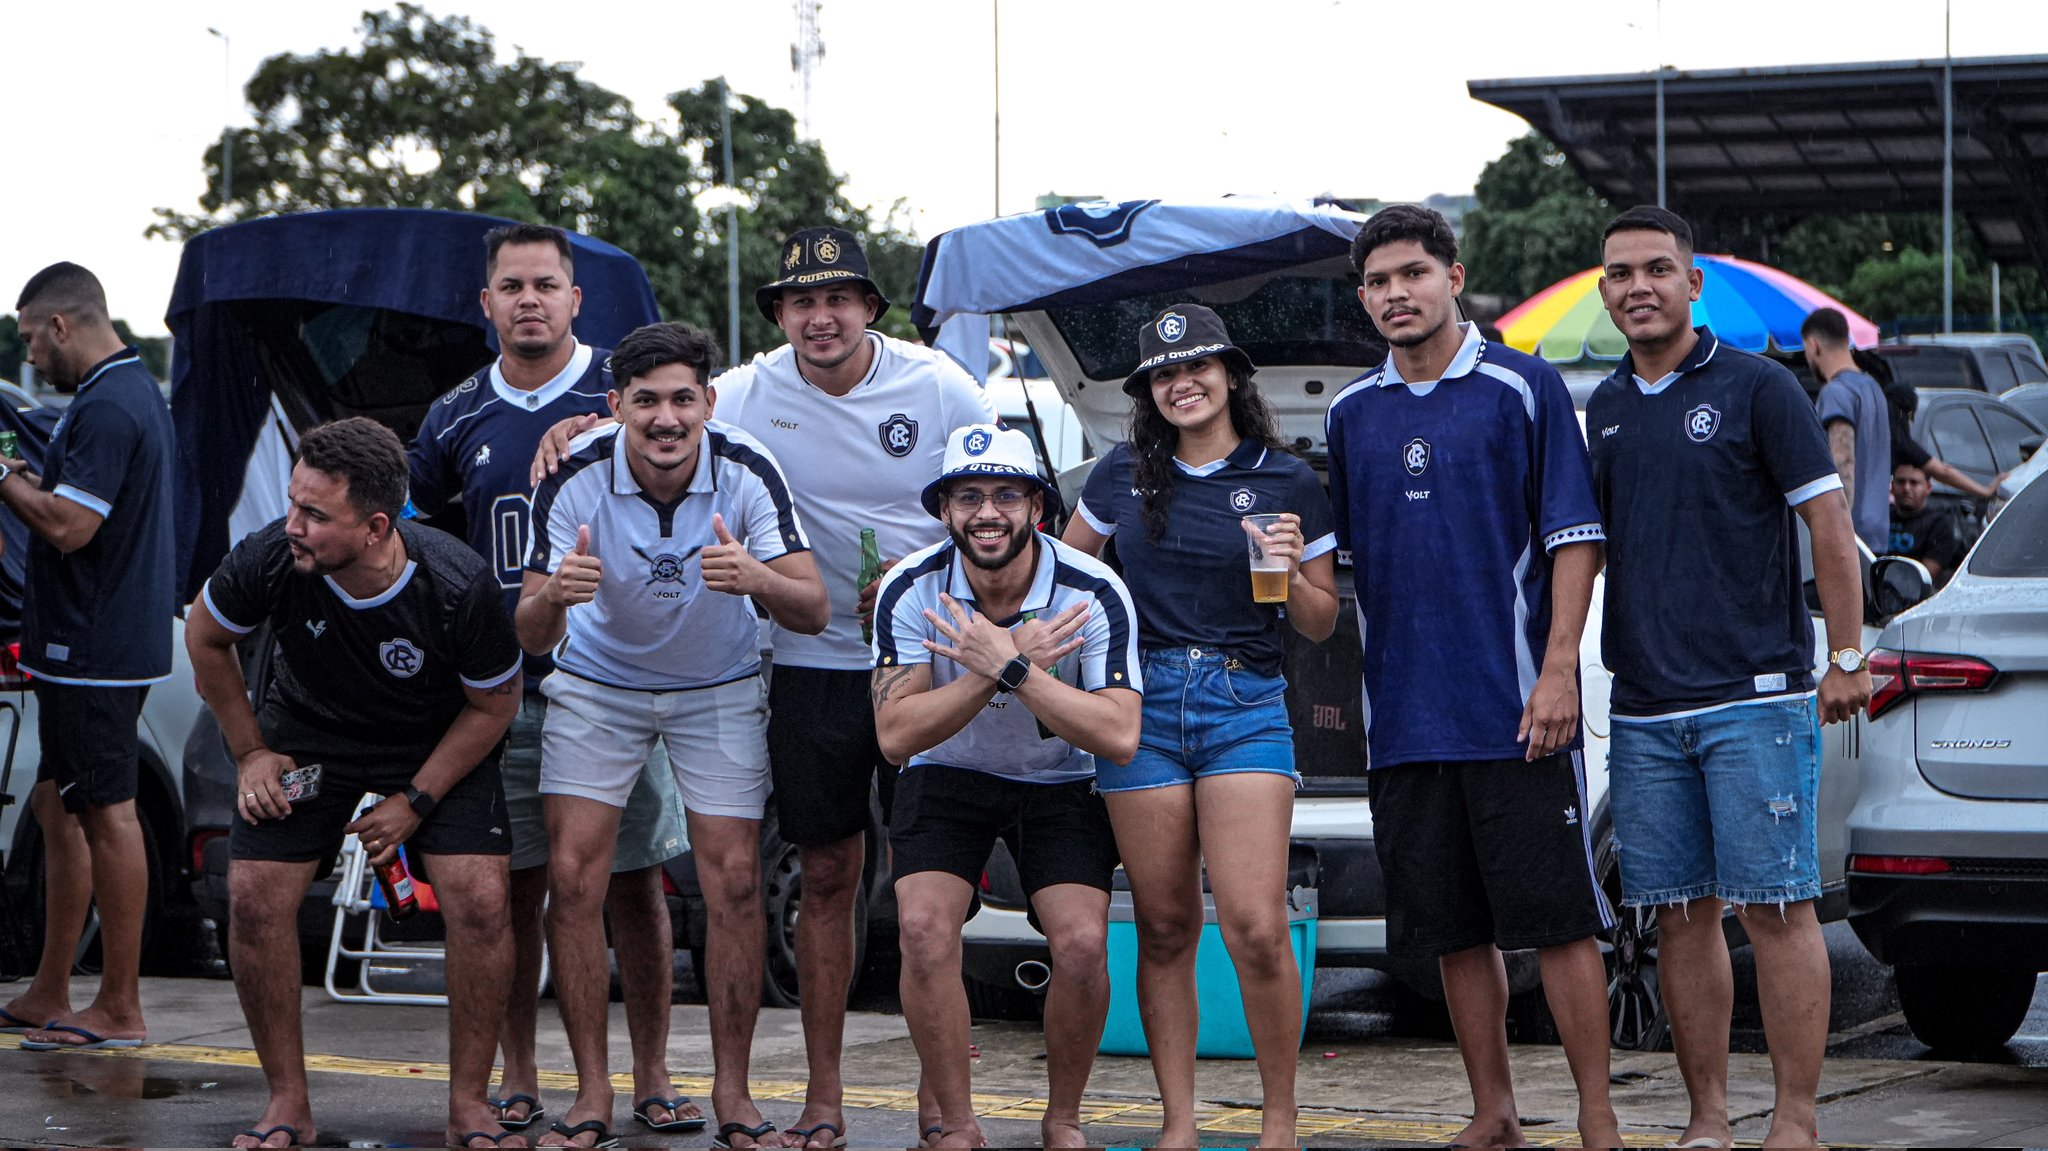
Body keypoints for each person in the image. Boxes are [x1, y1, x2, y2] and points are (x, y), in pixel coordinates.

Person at [532, 225, 995, 1149]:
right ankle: (823, 1101)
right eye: (800, 303)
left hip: (931, 661)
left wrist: (932, 568)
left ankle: (941, 1104)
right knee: (827, 874)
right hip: (815, 664)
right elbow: (657, 409)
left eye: (838, 299)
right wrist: (574, 422)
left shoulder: (942, 385)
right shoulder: (746, 387)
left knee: (930, 899)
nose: (819, 318)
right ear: (781, 316)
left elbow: (1007, 500)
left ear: (870, 306)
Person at [1323, 204, 1620, 1150]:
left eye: (1412, 273)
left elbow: (1577, 540)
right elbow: (1334, 574)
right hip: (1405, 718)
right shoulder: (1349, 412)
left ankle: (1599, 1116)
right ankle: (1493, 1112)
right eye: (1377, 281)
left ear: (1454, 276)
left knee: (1562, 924)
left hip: (1516, 710)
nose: (1395, 294)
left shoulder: (1523, 388)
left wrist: (1559, 671)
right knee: (1454, 932)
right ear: (1363, 298)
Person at [1588, 206, 1871, 1151]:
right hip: (1643, 709)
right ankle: (1708, 1119)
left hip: (1755, 701)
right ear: (1604, 290)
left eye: (1658, 269)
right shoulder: (1607, 406)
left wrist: (1845, 654)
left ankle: (1794, 1121)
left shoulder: (1760, 387)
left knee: (1780, 910)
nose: (1640, 286)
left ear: (1692, 281)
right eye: (1621, 272)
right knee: (1679, 917)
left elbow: (1828, 524)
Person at [408, 223, 697, 1136]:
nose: (528, 298)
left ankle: (649, 1072)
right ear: (484, 304)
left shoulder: (628, 391)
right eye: (511, 285)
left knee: (632, 882)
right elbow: (409, 535)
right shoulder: (453, 415)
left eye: (546, 283)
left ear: (577, 299)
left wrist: (606, 421)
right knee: (518, 889)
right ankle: (523, 1071)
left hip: (616, 679)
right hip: (503, 689)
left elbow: (695, 440)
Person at [517, 321, 827, 1150]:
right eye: (645, 400)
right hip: (598, 687)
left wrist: (756, 577)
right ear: (615, 406)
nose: (665, 418)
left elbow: (814, 605)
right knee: (575, 880)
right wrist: (555, 598)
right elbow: (528, 633)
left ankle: (733, 1092)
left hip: (716, 688)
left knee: (730, 883)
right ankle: (591, 1092)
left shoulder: (748, 466)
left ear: (708, 402)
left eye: (682, 398)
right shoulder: (573, 474)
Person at [186, 418, 523, 1150]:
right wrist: (250, 753)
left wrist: (416, 802)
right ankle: (287, 1101)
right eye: (292, 503)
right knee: (252, 896)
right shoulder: (274, 557)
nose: (292, 525)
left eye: (314, 514)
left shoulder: (457, 584)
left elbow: (496, 703)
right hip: (309, 736)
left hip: (431, 738)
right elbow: (205, 638)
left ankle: (468, 1102)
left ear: (375, 527)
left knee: (483, 898)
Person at [1060, 304, 1338, 1149]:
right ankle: (1177, 1122)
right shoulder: (1121, 474)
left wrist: (1288, 572)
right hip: (1142, 707)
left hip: (1243, 700)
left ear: (1229, 377)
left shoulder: (1287, 479)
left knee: (1255, 921)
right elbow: (1070, 579)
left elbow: (1321, 623)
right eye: (1165, 375)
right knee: (1167, 923)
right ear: (1149, 392)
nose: (1184, 383)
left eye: (1200, 368)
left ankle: (1280, 1119)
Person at [872, 423, 1141, 1150]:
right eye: (968, 496)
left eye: (1004, 495)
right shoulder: (911, 585)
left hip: (1061, 778)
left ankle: (1063, 1117)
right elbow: (896, 735)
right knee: (924, 929)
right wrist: (996, 665)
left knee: (1084, 944)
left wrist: (1014, 668)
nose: (986, 512)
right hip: (947, 769)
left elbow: (1118, 734)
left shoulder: (1093, 589)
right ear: (944, 510)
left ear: (1038, 508)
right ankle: (957, 1123)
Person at [0, 263, 174, 1054]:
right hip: (91, 644)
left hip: (94, 650)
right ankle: (48, 988)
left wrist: (1, 473)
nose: (31, 355)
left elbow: (70, 526)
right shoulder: (125, 389)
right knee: (53, 807)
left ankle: (120, 1003)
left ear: (63, 325)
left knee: (108, 814)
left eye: (33, 337)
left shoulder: (108, 403)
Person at [1801, 308, 1891, 553]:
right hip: (1877, 532)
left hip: (1851, 535)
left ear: (1814, 345)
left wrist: (1835, 532)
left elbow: (1843, 465)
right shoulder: (1872, 387)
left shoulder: (1836, 393)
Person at [1887, 461, 1968, 586]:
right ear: (1892, 486)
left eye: (1914, 483)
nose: (1906, 488)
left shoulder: (1940, 524)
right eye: (1901, 481)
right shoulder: (1881, 518)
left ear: (1928, 487)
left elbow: (1926, 577)